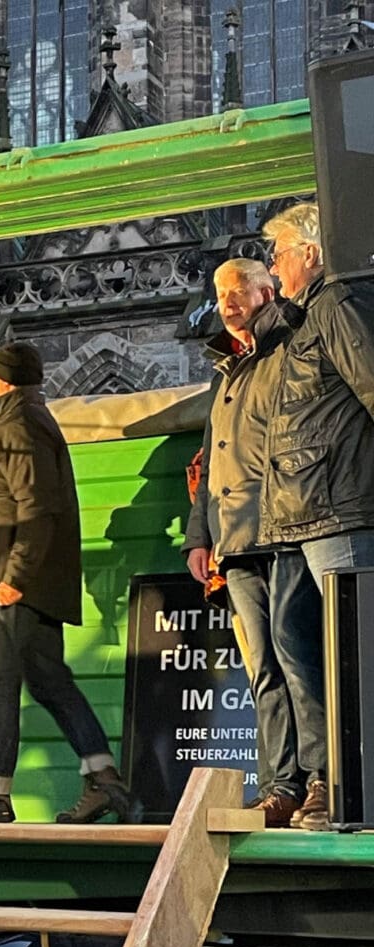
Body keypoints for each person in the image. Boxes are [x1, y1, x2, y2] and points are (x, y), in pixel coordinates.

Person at [0, 342, 132, 825]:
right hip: (32, 580)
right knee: (50, 682)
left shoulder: (18, 424)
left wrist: (14, 576)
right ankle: (104, 780)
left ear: (4, 379)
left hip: (15, 580)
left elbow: (36, 506)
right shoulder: (29, 418)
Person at [183, 258, 323, 828]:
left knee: (300, 661)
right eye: (220, 291)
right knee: (263, 668)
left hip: (286, 531)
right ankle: (279, 785)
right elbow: (211, 461)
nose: (228, 299)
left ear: (269, 289)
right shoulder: (228, 370)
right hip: (235, 542)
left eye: (239, 287)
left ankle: (322, 780)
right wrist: (200, 536)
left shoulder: (289, 349)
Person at [260, 202, 374, 830]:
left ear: (309, 251)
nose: (273, 268)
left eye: (277, 253)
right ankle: (324, 775)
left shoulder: (336, 306)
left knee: (346, 653)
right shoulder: (302, 320)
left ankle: (349, 784)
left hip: (338, 507)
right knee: (297, 644)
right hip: (298, 515)